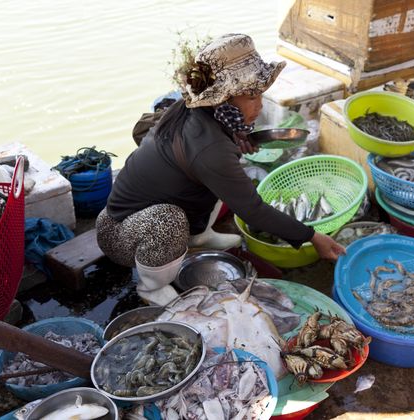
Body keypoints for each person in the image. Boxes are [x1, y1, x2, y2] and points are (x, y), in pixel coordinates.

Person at [96, 33, 346, 305]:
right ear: (222, 99)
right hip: (121, 234)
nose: (260, 104)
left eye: (260, 94)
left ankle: (200, 235)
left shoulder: (198, 112)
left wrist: (238, 142)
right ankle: (151, 287)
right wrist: (312, 237)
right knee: (169, 220)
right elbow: (253, 210)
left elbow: (204, 156)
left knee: (223, 179)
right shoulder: (209, 147)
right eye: (251, 96)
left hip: (140, 215)